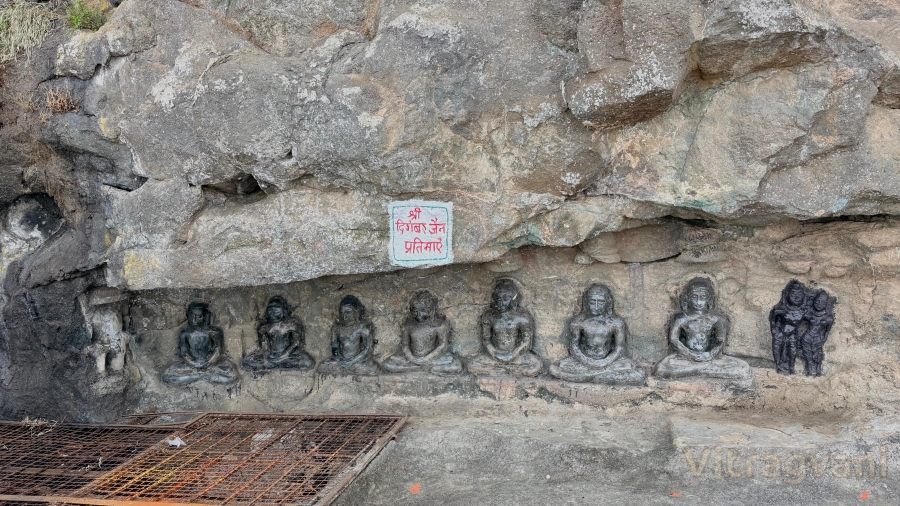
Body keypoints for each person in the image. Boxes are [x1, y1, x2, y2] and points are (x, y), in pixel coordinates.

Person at [653, 278, 751, 380]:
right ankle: (703, 369)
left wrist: (710, 354)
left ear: (709, 299)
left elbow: (720, 340)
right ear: (687, 298)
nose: (699, 302)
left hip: (709, 357)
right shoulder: (681, 318)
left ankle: (697, 369)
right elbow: (674, 340)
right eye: (694, 297)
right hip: (685, 357)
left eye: (703, 297)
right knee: (660, 369)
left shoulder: (717, 318)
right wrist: (690, 354)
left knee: (743, 368)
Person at [549, 284, 645, 385]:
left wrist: (604, 362)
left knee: (636, 372)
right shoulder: (578, 322)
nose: (595, 306)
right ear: (586, 302)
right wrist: (588, 362)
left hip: (609, 362)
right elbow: (574, 348)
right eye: (592, 302)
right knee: (555, 368)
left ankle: (586, 377)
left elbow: (619, 349)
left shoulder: (616, 323)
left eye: (600, 302)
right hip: (583, 362)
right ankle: (599, 377)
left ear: (608, 303)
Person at [467, 279, 543, 377]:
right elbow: (486, 340)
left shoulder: (523, 318)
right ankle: (508, 371)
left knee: (536, 365)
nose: (501, 303)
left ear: (513, 299)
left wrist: (513, 355)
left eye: (506, 299)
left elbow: (527, 341)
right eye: (498, 298)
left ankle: (500, 371)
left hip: (516, 356)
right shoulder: (489, 316)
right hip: (495, 355)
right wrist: (494, 353)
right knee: (473, 365)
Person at [382, 291, 462, 374]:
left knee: (456, 366)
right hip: (412, 357)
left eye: (423, 310)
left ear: (431, 310)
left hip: (432, 358)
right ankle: (424, 369)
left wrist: (427, 358)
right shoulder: (408, 325)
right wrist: (411, 358)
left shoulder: (439, 325)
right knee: (387, 364)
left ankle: (418, 368)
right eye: (415, 310)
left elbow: (443, 345)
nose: (418, 314)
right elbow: (405, 345)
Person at [162, 302, 238, 385]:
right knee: (167, 376)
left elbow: (217, 351)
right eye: (191, 315)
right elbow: (184, 353)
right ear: (187, 315)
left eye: (198, 316)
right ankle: (201, 376)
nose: (194, 319)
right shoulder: (184, 333)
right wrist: (194, 363)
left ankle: (196, 376)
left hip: (210, 364)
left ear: (205, 317)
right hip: (191, 364)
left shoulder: (214, 332)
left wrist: (207, 363)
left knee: (232, 375)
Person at [242, 296, 314, 372]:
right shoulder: (264, 327)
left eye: (276, 308)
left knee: (308, 362)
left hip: (289, 355)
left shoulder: (291, 324)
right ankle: (277, 365)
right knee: (246, 361)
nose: (273, 311)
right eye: (270, 308)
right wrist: (267, 356)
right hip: (271, 355)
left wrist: (286, 353)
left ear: (283, 310)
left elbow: (297, 342)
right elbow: (264, 346)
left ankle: (273, 366)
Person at [317, 295, 380, 375]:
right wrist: (339, 358)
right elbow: (335, 348)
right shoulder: (337, 328)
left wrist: (352, 361)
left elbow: (368, 349)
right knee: (323, 366)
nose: (344, 316)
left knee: (371, 368)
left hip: (357, 360)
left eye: (348, 312)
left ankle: (349, 367)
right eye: (342, 313)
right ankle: (346, 368)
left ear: (356, 311)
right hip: (342, 360)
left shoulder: (362, 327)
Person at [769, 280, 807, 375]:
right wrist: (774, 328)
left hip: (793, 333)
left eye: (799, 294)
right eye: (793, 294)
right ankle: (778, 364)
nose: (796, 297)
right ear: (787, 294)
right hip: (781, 331)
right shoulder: (781, 308)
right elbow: (774, 316)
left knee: (793, 350)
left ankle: (791, 366)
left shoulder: (803, 310)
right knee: (777, 345)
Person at [800, 289, 834, 377]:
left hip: (818, 338)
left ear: (826, 304)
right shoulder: (809, 314)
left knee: (818, 353)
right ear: (814, 301)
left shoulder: (828, 318)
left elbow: (827, 331)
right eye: (817, 301)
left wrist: (824, 338)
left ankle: (818, 368)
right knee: (807, 354)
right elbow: (801, 315)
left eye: (822, 303)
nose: (819, 304)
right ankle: (809, 368)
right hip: (807, 337)